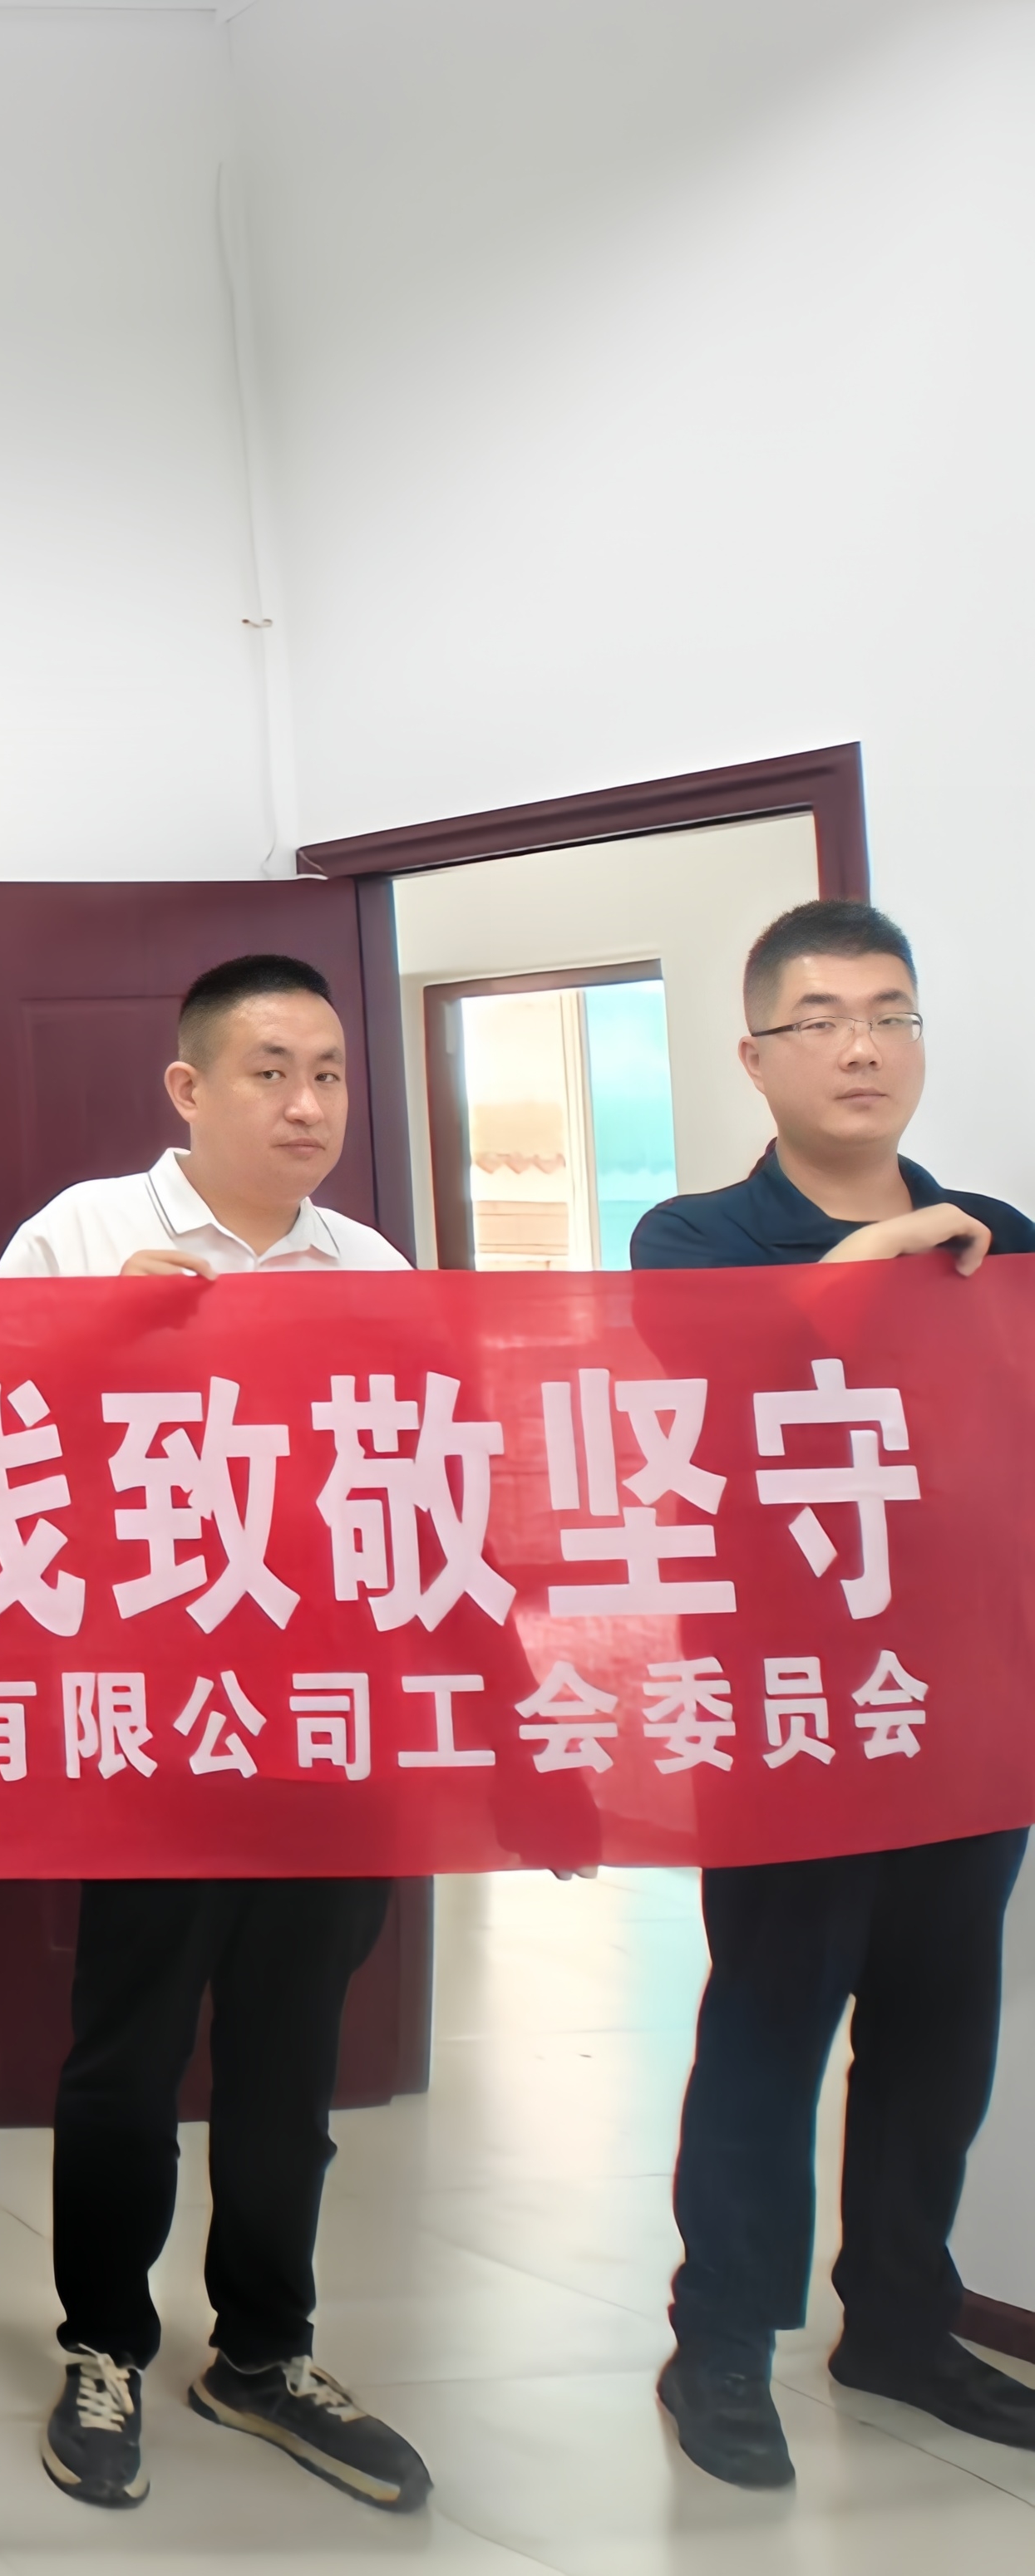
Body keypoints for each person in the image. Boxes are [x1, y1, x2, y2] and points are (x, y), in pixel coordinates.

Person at [0, 954, 429, 2515]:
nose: (307, 1104)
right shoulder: (80, 1237)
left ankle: (262, 2350)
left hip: (325, 1718)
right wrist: (93, 1339)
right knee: (126, 2056)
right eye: (270, 1071)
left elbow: (421, 1492)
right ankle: (103, 2344)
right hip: (153, 1718)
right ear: (188, 1088)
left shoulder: (369, 1265)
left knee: (288, 2062)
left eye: (328, 1073)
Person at [639, 898, 1035, 2486]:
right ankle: (722, 2345)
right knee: (770, 2023)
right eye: (821, 1021)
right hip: (793, 1711)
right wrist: (873, 1262)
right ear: (756, 1057)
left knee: (941, 2035)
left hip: (972, 1708)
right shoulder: (694, 1241)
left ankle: (901, 2327)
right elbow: (712, 1388)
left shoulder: (1003, 1241)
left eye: (891, 1015)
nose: (863, 1048)